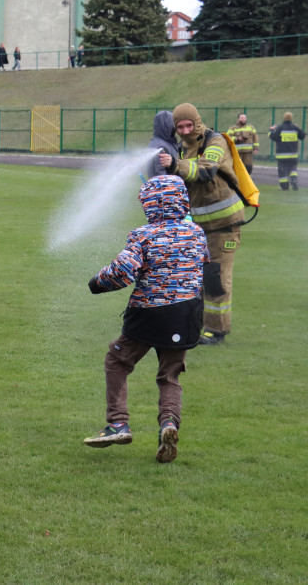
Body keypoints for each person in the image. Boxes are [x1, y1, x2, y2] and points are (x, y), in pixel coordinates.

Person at [82, 175, 208, 464]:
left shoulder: (143, 234)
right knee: (170, 375)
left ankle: (118, 424)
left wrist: (96, 283)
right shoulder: (197, 233)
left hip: (149, 313)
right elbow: (205, 261)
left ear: (150, 204)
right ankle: (169, 425)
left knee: (118, 361)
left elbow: (121, 272)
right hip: (187, 314)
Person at [159, 103, 244, 346]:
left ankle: (216, 331)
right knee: (197, 278)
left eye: (189, 125)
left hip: (225, 225)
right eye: (180, 126)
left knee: (215, 278)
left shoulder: (215, 141)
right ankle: (197, 324)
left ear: (198, 122)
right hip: (199, 227)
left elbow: (206, 170)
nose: (186, 130)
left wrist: (175, 165)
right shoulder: (182, 148)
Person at [269, 112, 305, 191]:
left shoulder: (280, 127)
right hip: (293, 155)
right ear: (291, 119)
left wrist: (271, 130)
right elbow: (303, 136)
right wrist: (298, 128)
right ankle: (294, 180)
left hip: (282, 155)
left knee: (282, 171)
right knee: (293, 168)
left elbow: (273, 137)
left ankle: (284, 186)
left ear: (284, 118)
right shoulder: (295, 128)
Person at [144, 110, 177, 180]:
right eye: (173, 123)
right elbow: (160, 174)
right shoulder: (160, 146)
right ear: (167, 125)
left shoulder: (166, 142)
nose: (175, 127)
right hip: (167, 189)